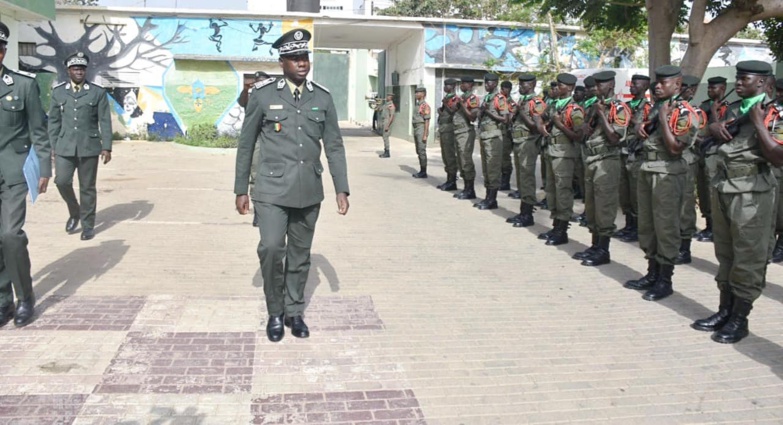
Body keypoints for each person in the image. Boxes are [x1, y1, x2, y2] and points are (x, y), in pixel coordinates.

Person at [234, 28, 349, 342]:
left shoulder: (322, 97)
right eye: (295, 58)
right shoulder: (263, 95)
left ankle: (294, 312)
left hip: (308, 189)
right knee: (272, 248)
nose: (302, 63)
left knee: (300, 254)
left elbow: (334, 146)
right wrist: (241, 188)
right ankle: (275, 311)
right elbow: (246, 144)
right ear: (282, 62)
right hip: (271, 190)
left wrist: (341, 188)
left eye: (305, 57)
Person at [692, 60, 783, 344]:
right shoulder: (734, 109)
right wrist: (714, 128)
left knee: (749, 256)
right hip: (724, 187)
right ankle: (725, 310)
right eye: (738, 78)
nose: (739, 83)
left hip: (752, 193)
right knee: (726, 253)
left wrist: (758, 124)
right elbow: (711, 137)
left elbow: (778, 157)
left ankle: (740, 319)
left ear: (762, 82)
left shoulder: (774, 113)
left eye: (745, 79)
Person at [624, 65, 698, 301]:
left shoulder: (683, 112)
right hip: (647, 167)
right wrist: (640, 126)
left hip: (667, 172)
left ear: (677, 85)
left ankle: (665, 280)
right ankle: (652, 272)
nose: (657, 86)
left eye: (663, 82)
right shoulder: (657, 107)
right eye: (657, 82)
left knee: (665, 226)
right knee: (647, 225)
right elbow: (642, 130)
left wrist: (664, 121)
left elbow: (675, 148)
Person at [0, 21, 52, 327]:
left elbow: (38, 131)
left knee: (10, 235)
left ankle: (24, 298)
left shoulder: (23, 85)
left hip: (13, 172)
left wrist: (44, 167)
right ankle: (3, 300)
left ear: (3, 51)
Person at [48, 52, 112, 241]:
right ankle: (74, 211)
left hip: (89, 146)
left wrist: (107, 146)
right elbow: (54, 121)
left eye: (82, 69)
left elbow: (105, 121)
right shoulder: (59, 92)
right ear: (68, 70)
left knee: (87, 188)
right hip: (64, 146)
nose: (79, 72)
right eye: (75, 68)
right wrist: (53, 145)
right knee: (61, 181)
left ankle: (88, 225)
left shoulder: (97, 92)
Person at [571, 71, 629, 266]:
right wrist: (586, 124)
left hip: (607, 161)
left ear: (611, 85)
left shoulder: (618, 108)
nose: (596, 88)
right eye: (595, 85)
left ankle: (604, 250)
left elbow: (614, 138)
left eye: (600, 85)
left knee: (604, 206)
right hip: (591, 158)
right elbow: (585, 132)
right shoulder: (595, 106)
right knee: (592, 206)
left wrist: (602, 114)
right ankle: (595, 245)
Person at [535, 73, 584, 245]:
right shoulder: (554, 105)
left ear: (570, 88)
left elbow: (578, 136)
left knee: (563, 190)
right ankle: (556, 225)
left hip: (564, 154)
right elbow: (539, 117)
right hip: (550, 151)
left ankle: (562, 229)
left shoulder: (575, 110)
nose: (557, 87)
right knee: (551, 189)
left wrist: (560, 125)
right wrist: (541, 127)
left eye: (561, 85)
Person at [506, 73, 545, 228]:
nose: (520, 86)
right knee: (521, 177)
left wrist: (521, 113)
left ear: (533, 84)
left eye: (524, 84)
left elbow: (536, 127)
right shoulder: (523, 101)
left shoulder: (536, 102)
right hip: (518, 141)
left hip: (528, 142)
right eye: (520, 84)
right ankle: (523, 211)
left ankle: (528, 214)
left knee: (527, 178)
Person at [615, 74, 651, 243]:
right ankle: (629, 225)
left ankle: (638, 228)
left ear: (645, 87)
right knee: (625, 193)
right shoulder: (627, 106)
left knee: (636, 193)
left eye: (636, 84)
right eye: (632, 84)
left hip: (638, 155)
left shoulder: (648, 108)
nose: (632, 87)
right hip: (623, 152)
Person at [694, 76, 728, 243]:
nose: (710, 90)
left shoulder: (728, 108)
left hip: (716, 154)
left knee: (712, 191)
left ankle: (716, 228)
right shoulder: (704, 106)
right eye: (709, 87)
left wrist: (714, 112)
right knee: (703, 191)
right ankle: (708, 225)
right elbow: (699, 128)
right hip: (702, 151)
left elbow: (720, 130)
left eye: (713, 88)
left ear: (723, 89)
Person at [673, 75, 702, 264]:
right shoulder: (671, 108)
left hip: (686, 160)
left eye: (684, 87)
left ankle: (685, 248)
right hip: (672, 162)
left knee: (685, 205)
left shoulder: (692, 111)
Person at [238, 71, 271, 227]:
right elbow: (242, 102)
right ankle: (258, 212)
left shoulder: (275, 96)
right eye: (258, 82)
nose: (260, 84)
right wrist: (246, 90)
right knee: (256, 176)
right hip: (257, 140)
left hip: (272, 141)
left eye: (263, 81)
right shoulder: (252, 96)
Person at [474, 73, 507, 210]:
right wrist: (481, 112)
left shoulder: (500, 98)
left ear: (496, 83)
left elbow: (505, 119)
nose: (486, 85)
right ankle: (488, 197)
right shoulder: (487, 97)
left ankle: (492, 199)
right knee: (486, 169)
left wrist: (488, 112)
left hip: (493, 137)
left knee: (493, 168)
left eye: (489, 82)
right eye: (485, 82)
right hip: (484, 135)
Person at [452, 76, 479, 200]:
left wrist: (462, 105)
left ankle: (470, 189)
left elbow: (473, 117)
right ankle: (466, 188)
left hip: (466, 132)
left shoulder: (472, 99)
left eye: (464, 83)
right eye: (461, 83)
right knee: (460, 160)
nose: (461, 85)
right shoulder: (462, 97)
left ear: (470, 85)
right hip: (458, 131)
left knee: (465, 160)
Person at [436, 78, 460, 191]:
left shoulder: (455, 99)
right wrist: (440, 111)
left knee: (450, 155)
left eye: (448, 85)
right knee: (445, 155)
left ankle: (452, 181)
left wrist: (445, 104)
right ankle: (449, 179)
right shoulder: (447, 98)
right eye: (445, 85)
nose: (445, 87)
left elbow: (453, 112)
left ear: (453, 86)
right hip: (443, 129)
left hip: (450, 130)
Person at [411, 86, 431, 178]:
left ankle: (423, 171)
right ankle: (422, 170)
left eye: (418, 93)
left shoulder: (424, 106)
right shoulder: (417, 105)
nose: (416, 94)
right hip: (416, 128)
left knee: (421, 150)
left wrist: (425, 134)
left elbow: (427, 121)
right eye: (416, 92)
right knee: (418, 150)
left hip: (421, 128)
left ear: (423, 94)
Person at [499, 80, 515, 192]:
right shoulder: (499, 100)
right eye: (502, 88)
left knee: (505, 157)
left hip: (506, 133)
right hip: (498, 132)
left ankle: (505, 182)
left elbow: (510, 118)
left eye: (505, 88)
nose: (503, 90)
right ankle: (501, 179)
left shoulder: (511, 103)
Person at [378, 93, 395, 158]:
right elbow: (379, 109)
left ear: (391, 97)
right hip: (383, 121)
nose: (387, 97)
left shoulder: (391, 106)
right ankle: (385, 151)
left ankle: (387, 152)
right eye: (387, 96)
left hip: (387, 121)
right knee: (384, 137)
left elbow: (392, 117)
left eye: (388, 96)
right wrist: (378, 103)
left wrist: (387, 126)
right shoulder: (386, 104)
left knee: (385, 137)